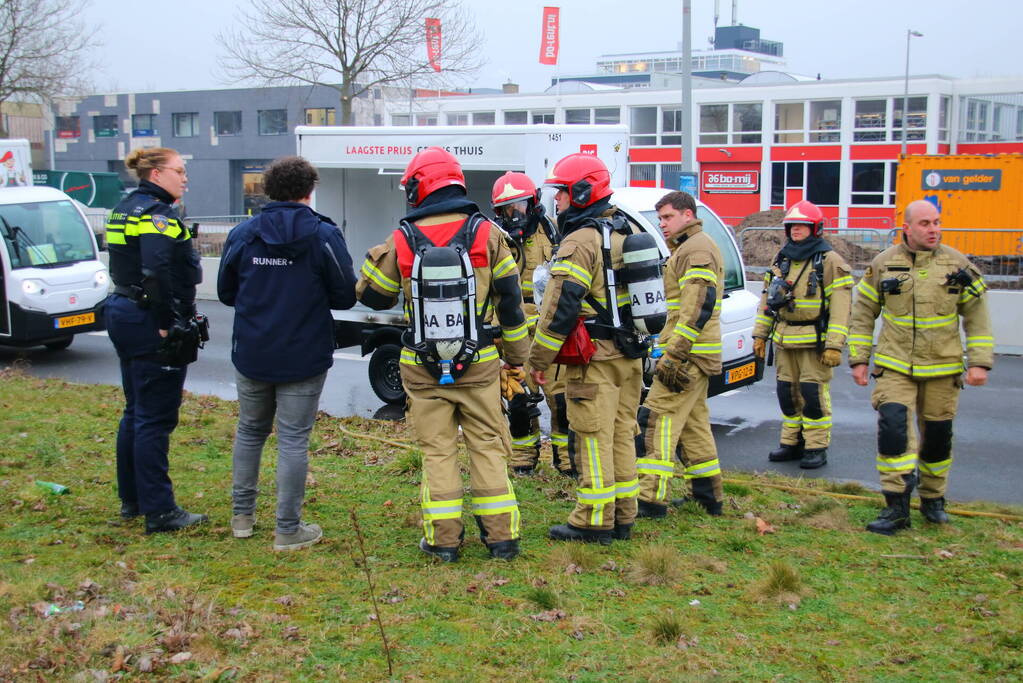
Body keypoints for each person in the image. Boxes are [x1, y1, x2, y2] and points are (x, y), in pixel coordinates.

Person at [356, 147, 529, 562]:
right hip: (480, 363)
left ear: (420, 185)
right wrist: (518, 356)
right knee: (487, 446)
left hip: (421, 366)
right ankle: (502, 540)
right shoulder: (488, 234)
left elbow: (373, 296)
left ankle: (444, 543)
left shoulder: (401, 238)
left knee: (438, 452)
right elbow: (511, 302)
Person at [217, 156, 356, 551]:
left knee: (250, 431)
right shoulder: (323, 235)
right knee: (293, 440)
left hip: (253, 350)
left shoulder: (243, 234)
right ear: (309, 192)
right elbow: (345, 295)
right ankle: (287, 529)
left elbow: (226, 292)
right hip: (304, 353)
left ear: (269, 190)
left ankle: (242, 517)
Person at [849, 199, 993, 535]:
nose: (934, 229)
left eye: (937, 222)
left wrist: (980, 362)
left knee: (937, 439)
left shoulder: (957, 264)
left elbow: (977, 315)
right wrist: (858, 358)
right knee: (894, 430)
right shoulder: (883, 264)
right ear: (907, 228)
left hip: (943, 367)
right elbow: (862, 313)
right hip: (894, 365)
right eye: (926, 223)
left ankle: (933, 500)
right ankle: (896, 506)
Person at [528, 153, 647, 544]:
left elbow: (560, 307)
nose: (556, 201)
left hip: (593, 359)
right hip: (629, 355)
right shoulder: (624, 228)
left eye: (561, 192)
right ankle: (624, 514)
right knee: (621, 434)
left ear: (581, 192)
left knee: (592, 438)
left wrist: (538, 359)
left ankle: (593, 520)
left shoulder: (579, 240)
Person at [103, 147, 206, 534]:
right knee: (154, 417)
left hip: (123, 310)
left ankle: (133, 499)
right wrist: (168, 322)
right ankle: (160, 511)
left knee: (135, 411)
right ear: (157, 173)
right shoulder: (157, 215)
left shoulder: (125, 207)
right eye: (179, 171)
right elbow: (158, 270)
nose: (185, 178)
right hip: (148, 318)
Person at [633, 191, 726, 518]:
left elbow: (699, 302)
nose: (663, 224)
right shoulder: (689, 248)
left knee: (655, 418)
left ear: (688, 215)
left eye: (668, 217)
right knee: (693, 426)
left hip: (687, 356)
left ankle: (649, 499)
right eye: (660, 219)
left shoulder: (696, 249)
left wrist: (674, 354)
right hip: (694, 354)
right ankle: (707, 497)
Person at [752, 200, 853, 470]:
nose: (796, 230)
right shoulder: (781, 258)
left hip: (814, 341)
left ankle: (816, 447)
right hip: (784, 339)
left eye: (802, 225)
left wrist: (834, 345)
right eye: (792, 225)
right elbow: (767, 299)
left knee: (812, 395)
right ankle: (791, 443)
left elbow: (842, 308)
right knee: (787, 393)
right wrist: (759, 335)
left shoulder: (830, 261)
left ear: (815, 228)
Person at [490, 172, 574, 477]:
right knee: (518, 398)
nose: (515, 214)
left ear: (533, 202)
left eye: (520, 205)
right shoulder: (494, 238)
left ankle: (565, 459)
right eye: (507, 209)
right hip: (512, 333)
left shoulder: (552, 232)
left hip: (547, 332)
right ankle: (524, 456)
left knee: (560, 397)